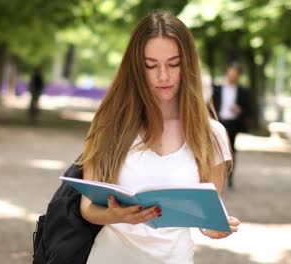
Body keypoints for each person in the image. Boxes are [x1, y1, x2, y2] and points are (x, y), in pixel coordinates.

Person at [76, 11, 240, 264]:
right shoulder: (110, 124)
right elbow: (87, 208)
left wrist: (215, 229)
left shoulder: (212, 135)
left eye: (174, 64)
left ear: (188, 65)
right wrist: (118, 216)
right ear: (136, 68)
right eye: (151, 65)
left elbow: (206, 217)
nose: (163, 76)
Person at [212, 62, 251, 189]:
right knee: (217, 150)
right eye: (231, 72)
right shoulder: (217, 88)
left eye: (236, 73)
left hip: (233, 124)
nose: (233, 75)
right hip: (219, 122)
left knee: (231, 150)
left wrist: (239, 110)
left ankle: (230, 177)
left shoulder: (242, 91)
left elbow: (248, 108)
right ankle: (218, 175)